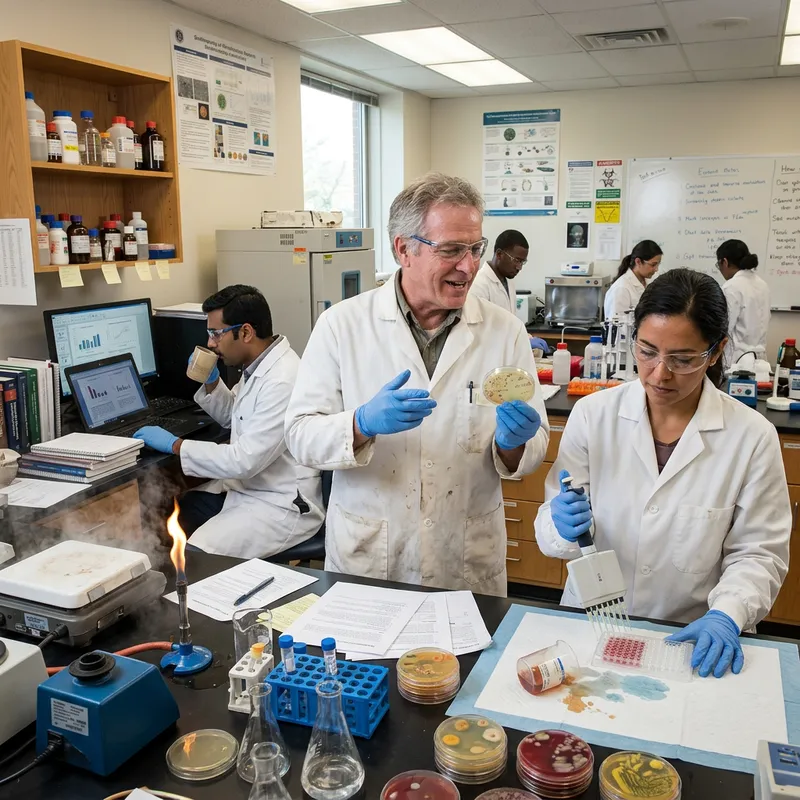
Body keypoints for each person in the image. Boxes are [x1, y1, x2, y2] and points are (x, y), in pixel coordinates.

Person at [285, 172, 550, 597]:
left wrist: (513, 444)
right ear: (403, 249)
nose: (469, 266)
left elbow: (533, 445)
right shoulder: (341, 325)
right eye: (451, 250)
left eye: (475, 248)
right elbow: (300, 436)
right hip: (371, 556)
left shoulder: (505, 332)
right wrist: (360, 424)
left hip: (464, 556)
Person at [535, 268, 790, 678]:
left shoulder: (751, 436)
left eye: (682, 359)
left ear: (716, 351)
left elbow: (758, 553)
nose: (659, 373)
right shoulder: (593, 415)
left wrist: (728, 614)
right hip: (592, 623)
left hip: (690, 637)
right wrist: (559, 525)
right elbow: (554, 521)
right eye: (647, 351)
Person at [134, 285, 324, 559]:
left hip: (279, 504)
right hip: (252, 489)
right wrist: (212, 382)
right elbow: (238, 416)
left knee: (195, 555)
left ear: (245, 332)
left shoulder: (282, 379)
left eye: (216, 333)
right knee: (178, 510)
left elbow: (243, 460)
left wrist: (176, 445)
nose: (210, 343)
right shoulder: (259, 364)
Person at [470, 230, 549, 354]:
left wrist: (527, 338)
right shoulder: (478, 285)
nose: (519, 267)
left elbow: (511, 324)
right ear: (499, 254)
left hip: (506, 355)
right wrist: (521, 343)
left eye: (522, 262)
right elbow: (480, 335)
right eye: (516, 260)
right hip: (489, 357)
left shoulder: (508, 282)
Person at [716, 239, 771, 367]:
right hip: (760, 361)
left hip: (736, 361)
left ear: (725, 262)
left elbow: (724, 328)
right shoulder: (762, 284)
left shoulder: (731, 287)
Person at [604, 240, 663, 320]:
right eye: (653, 265)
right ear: (638, 262)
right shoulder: (621, 289)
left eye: (658, 264)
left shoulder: (650, 281)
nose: (656, 269)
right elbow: (617, 324)